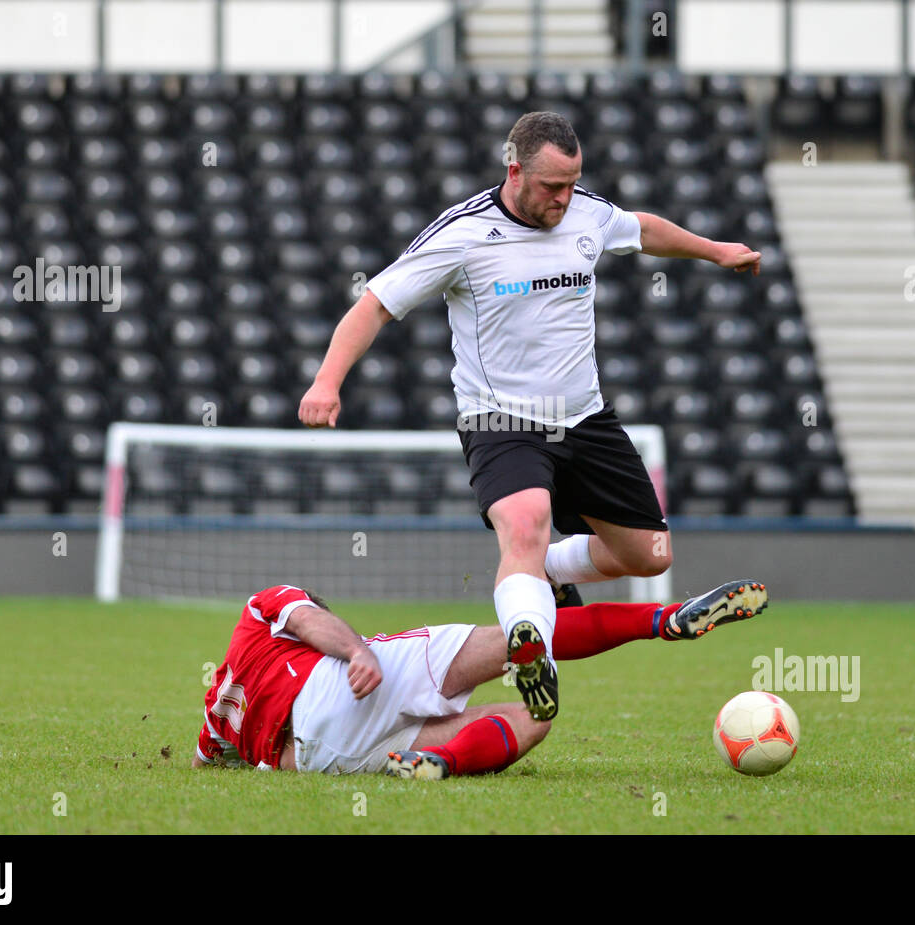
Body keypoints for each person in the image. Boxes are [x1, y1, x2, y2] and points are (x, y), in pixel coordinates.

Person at [298, 111, 763, 724]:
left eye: (573, 183)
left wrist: (715, 251)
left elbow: (641, 229)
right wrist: (327, 382)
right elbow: (376, 306)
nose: (564, 199)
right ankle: (528, 645)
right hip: (503, 421)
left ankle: (542, 570)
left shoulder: (585, 212)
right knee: (525, 522)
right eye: (551, 187)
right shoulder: (462, 233)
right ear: (513, 170)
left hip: (585, 419)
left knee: (651, 555)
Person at [192, 578, 769, 778]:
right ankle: (664, 620)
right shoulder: (260, 612)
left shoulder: (217, 712)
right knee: (520, 634)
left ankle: (443, 761)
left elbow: (204, 761)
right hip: (335, 684)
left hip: (321, 757)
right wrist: (358, 650)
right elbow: (311, 619)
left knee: (528, 720)